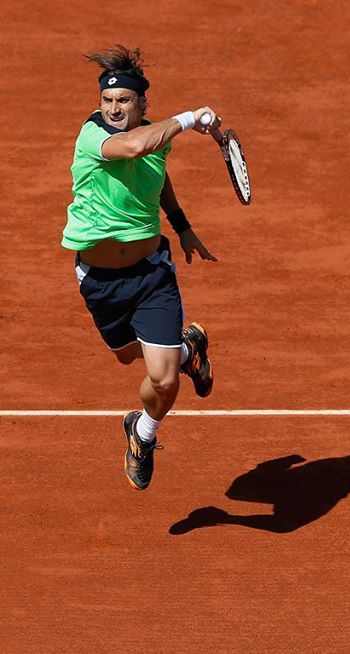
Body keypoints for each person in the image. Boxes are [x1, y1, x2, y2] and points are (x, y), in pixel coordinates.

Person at [62, 45, 221, 491]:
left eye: (124, 101)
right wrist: (190, 118)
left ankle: (143, 433)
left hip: (151, 273)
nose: (113, 109)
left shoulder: (155, 138)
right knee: (128, 357)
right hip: (99, 280)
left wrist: (182, 226)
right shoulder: (93, 136)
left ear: (142, 104)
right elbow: (134, 148)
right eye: (108, 101)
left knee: (161, 379)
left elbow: (157, 171)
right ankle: (190, 350)